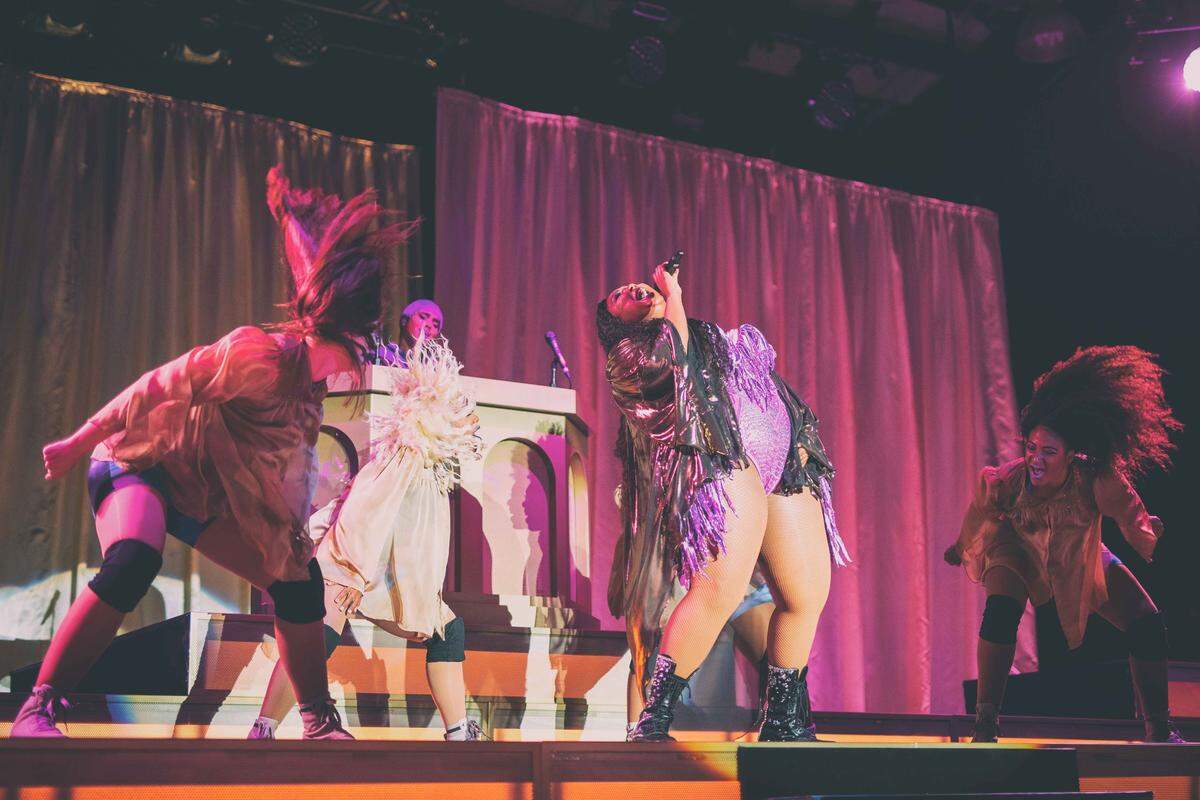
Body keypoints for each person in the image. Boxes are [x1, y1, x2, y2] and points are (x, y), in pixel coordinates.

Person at [12, 166, 415, 739]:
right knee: (133, 560)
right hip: (138, 464)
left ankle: (317, 719)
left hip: (200, 490)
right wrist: (78, 441)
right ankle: (39, 708)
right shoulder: (259, 358)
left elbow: (317, 281)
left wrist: (291, 222)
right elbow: (156, 386)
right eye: (357, 348)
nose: (360, 363)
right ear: (336, 336)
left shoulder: (309, 388)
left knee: (299, 587)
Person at [597, 263, 850, 742]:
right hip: (719, 459)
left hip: (782, 465)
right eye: (617, 296)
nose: (633, 288)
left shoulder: (707, 336)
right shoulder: (627, 356)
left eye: (638, 286)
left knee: (806, 593)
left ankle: (784, 721)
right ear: (614, 321)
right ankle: (653, 722)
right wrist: (672, 294)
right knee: (719, 587)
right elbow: (673, 365)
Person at [248, 333, 483, 740]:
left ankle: (459, 731)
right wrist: (353, 574)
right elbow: (361, 511)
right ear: (435, 416)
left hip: (390, 573)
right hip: (350, 563)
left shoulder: (426, 463)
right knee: (314, 640)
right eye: (461, 412)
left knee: (448, 630)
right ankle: (265, 727)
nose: (472, 421)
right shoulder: (405, 454)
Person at [945, 345, 1185, 743]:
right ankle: (985, 722)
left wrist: (1146, 530)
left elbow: (1128, 509)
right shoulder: (1007, 481)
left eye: (1049, 452)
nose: (1036, 459)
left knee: (1147, 622)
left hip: (1076, 553)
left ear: (1072, 454)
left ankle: (1158, 726)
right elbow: (979, 515)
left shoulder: (1095, 479)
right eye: (1031, 448)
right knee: (1001, 610)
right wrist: (960, 547)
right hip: (1017, 549)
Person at [373, 299, 444, 367]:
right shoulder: (382, 356)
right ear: (404, 321)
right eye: (423, 317)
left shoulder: (431, 370)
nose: (429, 325)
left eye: (435, 325)